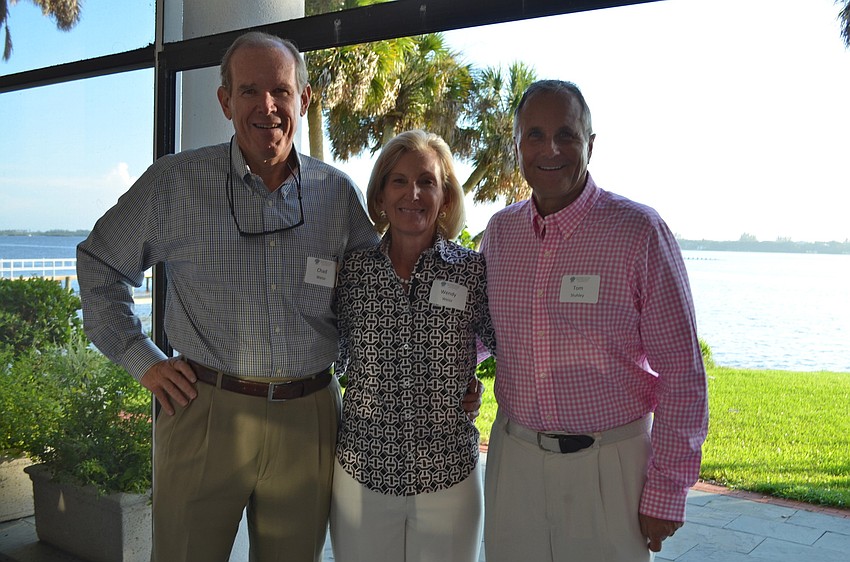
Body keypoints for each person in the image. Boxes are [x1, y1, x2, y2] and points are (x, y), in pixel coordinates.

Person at [76, 32, 480, 562]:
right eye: (249, 91)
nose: (267, 106)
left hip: (307, 417)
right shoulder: (174, 183)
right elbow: (100, 260)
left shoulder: (336, 195)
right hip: (204, 410)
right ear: (225, 101)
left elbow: (386, 288)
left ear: (304, 99)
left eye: (281, 91)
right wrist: (142, 361)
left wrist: (449, 375)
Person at [479, 80, 709, 562]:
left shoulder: (639, 231)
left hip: (611, 467)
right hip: (513, 460)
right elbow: (485, 334)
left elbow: (683, 375)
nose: (551, 149)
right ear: (518, 144)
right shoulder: (500, 233)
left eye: (566, 134)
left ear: (590, 143)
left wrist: (666, 490)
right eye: (535, 135)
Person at [329, 129, 495, 562]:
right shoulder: (352, 272)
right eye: (399, 181)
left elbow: (505, 342)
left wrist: (465, 382)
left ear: (446, 198)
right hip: (362, 473)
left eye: (427, 181)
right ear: (381, 196)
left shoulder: (471, 272)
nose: (413, 193)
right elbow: (325, 347)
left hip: (449, 476)